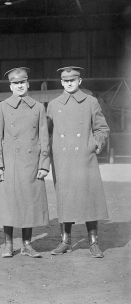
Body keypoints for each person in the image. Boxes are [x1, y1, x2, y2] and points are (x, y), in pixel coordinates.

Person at [47, 66, 109, 258]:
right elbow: (47, 131)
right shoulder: (54, 104)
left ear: (79, 81)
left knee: (90, 199)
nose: (69, 83)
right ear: (61, 83)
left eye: (73, 80)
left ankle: (93, 242)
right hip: (63, 158)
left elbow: (102, 128)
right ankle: (65, 241)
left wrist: (95, 144)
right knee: (65, 200)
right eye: (65, 81)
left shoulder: (91, 102)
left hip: (84, 156)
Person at [0, 67, 50, 258]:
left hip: (31, 163)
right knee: (10, 204)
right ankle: (8, 244)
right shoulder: (2, 107)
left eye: (22, 82)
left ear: (28, 83)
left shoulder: (39, 107)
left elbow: (44, 138)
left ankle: (27, 244)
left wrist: (43, 165)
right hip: (10, 164)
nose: (19, 86)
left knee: (30, 203)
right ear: (10, 86)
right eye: (15, 83)